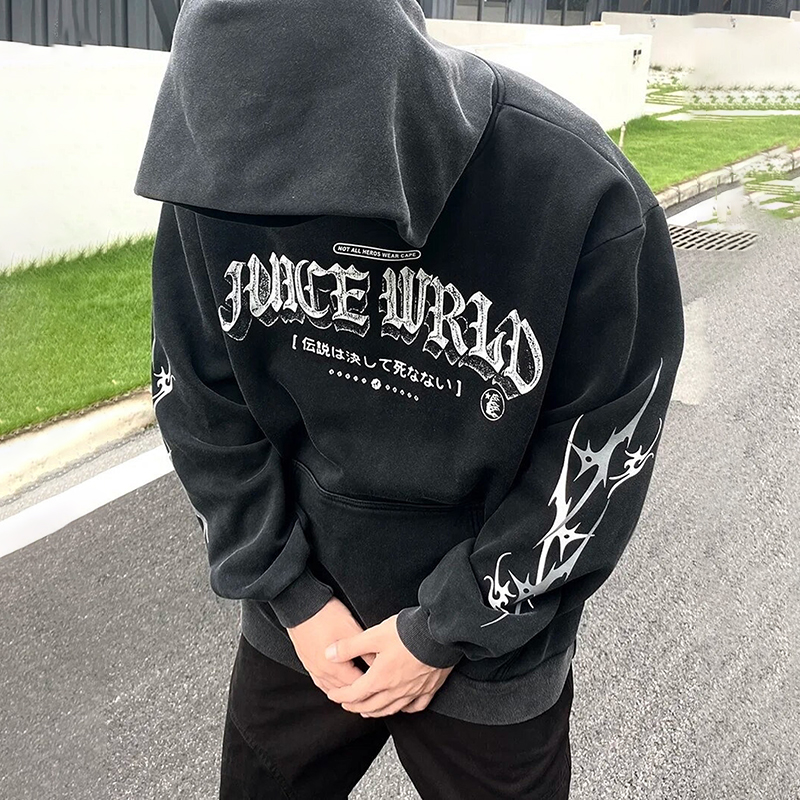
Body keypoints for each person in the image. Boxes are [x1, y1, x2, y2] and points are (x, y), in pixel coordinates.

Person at [134, 1, 685, 798]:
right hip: (305, 616)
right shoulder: (213, 168)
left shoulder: (577, 188)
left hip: (493, 644)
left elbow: (602, 446)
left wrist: (447, 627)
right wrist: (289, 592)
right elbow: (198, 400)